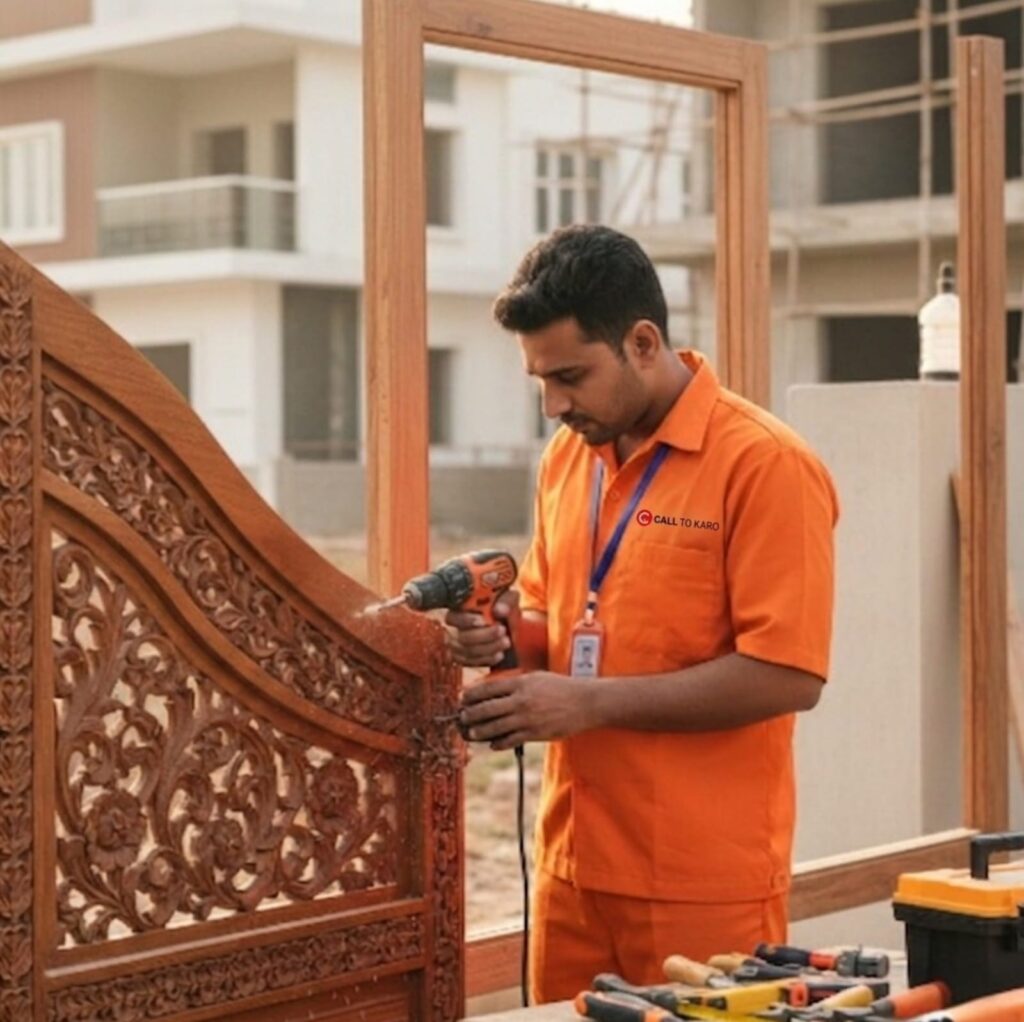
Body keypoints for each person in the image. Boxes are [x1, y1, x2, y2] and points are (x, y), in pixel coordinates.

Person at [446, 225, 838, 1002]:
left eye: (571, 376)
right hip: (571, 867)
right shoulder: (568, 459)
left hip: (702, 882)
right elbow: (552, 619)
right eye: (540, 381)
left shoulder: (766, 464)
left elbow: (789, 674)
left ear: (644, 342)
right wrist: (503, 639)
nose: (554, 405)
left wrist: (588, 703)